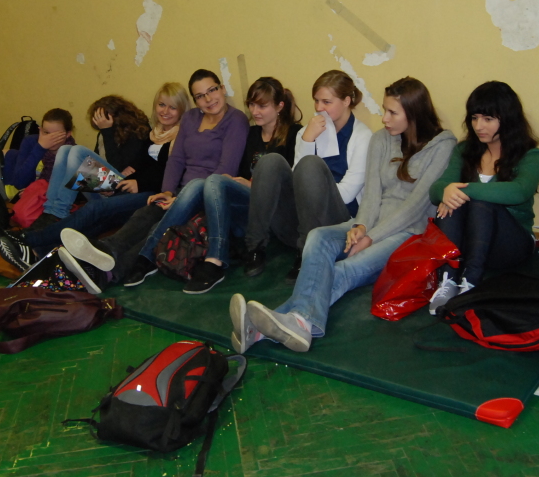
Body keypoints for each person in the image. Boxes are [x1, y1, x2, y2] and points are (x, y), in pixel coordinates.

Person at [230, 77, 455, 353]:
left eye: (392, 112)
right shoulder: (381, 139)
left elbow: (416, 206)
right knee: (317, 237)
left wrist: (371, 237)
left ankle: (275, 325)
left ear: (414, 112)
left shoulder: (443, 145)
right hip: (371, 223)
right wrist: (360, 226)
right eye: (384, 110)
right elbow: (371, 194)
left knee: (344, 269)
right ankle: (291, 323)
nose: (384, 118)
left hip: (407, 232)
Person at [59, 69, 250, 289]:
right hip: (180, 193)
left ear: (222, 89)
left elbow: (224, 172)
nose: (208, 99)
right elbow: (176, 159)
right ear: (195, 100)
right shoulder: (189, 118)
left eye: (212, 90)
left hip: (208, 197)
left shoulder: (236, 120)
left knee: (158, 225)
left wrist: (178, 199)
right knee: (146, 213)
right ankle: (104, 252)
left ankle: (111, 270)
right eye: (200, 96)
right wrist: (167, 191)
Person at [131, 77, 301, 295]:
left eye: (262, 106)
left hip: (275, 210)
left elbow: (290, 184)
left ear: (279, 106)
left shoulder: (295, 133)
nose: (255, 111)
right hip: (246, 206)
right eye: (251, 105)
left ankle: (214, 259)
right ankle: (150, 256)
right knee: (206, 182)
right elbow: (233, 172)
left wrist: (251, 184)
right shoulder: (252, 134)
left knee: (217, 179)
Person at [0, 83, 189, 275]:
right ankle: (45, 231)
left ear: (182, 110)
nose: (165, 111)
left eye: (172, 107)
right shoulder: (154, 134)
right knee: (66, 151)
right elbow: (138, 167)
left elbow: (168, 173)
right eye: (162, 105)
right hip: (122, 186)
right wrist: (124, 179)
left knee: (88, 186)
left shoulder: (173, 136)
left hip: (149, 193)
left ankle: (29, 238)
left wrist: (137, 180)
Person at [241, 70, 373, 281]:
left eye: (326, 102)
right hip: (300, 225)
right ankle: (255, 247)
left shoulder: (363, 137)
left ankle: (306, 254)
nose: (319, 108)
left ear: (346, 101)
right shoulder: (306, 132)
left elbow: (347, 194)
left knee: (310, 165)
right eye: (316, 101)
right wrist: (307, 140)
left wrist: (314, 183)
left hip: (338, 223)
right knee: (270, 161)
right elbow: (296, 183)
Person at [427, 81, 539, 313]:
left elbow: (519, 191)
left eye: (488, 119)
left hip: (511, 245)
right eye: (474, 118)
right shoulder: (464, 150)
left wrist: (461, 190)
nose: (478, 126)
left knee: (478, 201)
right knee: (450, 199)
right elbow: (435, 189)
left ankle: (471, 283)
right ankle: (448, 281)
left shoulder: (531, 155)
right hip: (469, 244)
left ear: (508, 118)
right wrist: (447, 191)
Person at [2, 108, 75, 191]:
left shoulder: (75, 154)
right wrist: (40, 148)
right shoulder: (30, 142)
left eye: (56, 134)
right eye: (46, 132)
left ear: (68, 134)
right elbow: (19, 183)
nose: (49, 138)